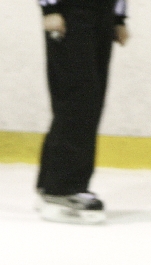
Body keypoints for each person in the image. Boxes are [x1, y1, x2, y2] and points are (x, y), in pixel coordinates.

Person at [35, 0, 129, 224]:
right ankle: (62, 189)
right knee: (77, 99)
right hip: (71, 11)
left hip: (103, 13)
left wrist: (118, 17)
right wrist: (50, 8)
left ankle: (51, 184)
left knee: (90, 100)